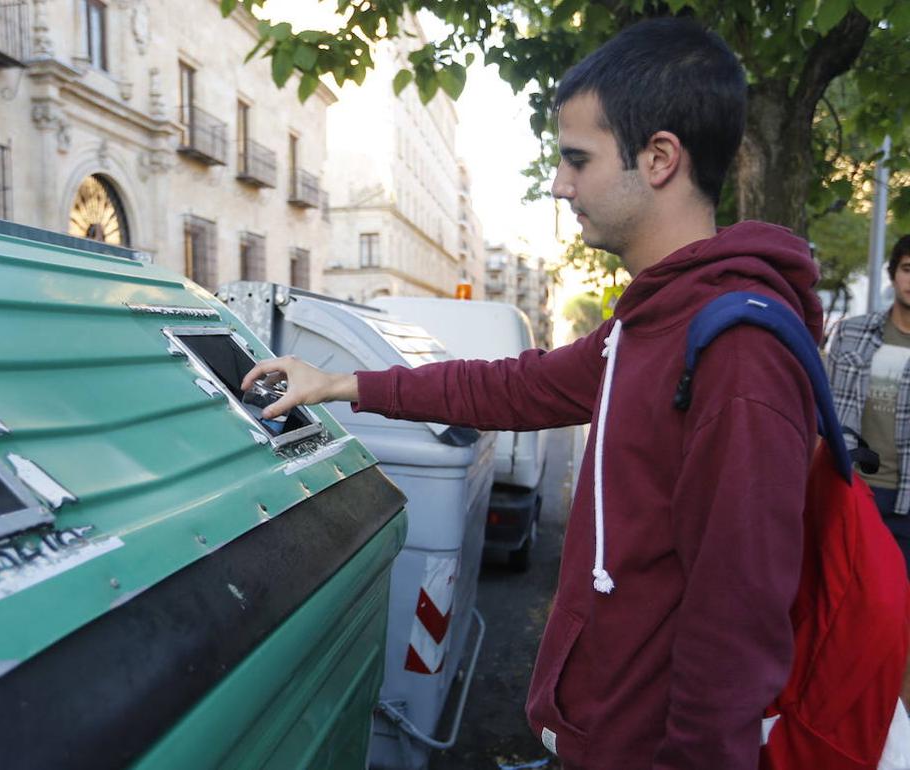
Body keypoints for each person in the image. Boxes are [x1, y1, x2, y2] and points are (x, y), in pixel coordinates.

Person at [242, 17, 821, 770]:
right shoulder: (650, 321)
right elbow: (517, 386)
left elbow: (737, 632)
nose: (559, 183)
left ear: (659, 158)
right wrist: (341, 381)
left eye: (577, 159)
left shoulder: (737, 352)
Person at [828, 233, 910, 572]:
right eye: (908, 268)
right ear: (893, 274)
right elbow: (825, 411)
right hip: (855, 490)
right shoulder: (852, 333)